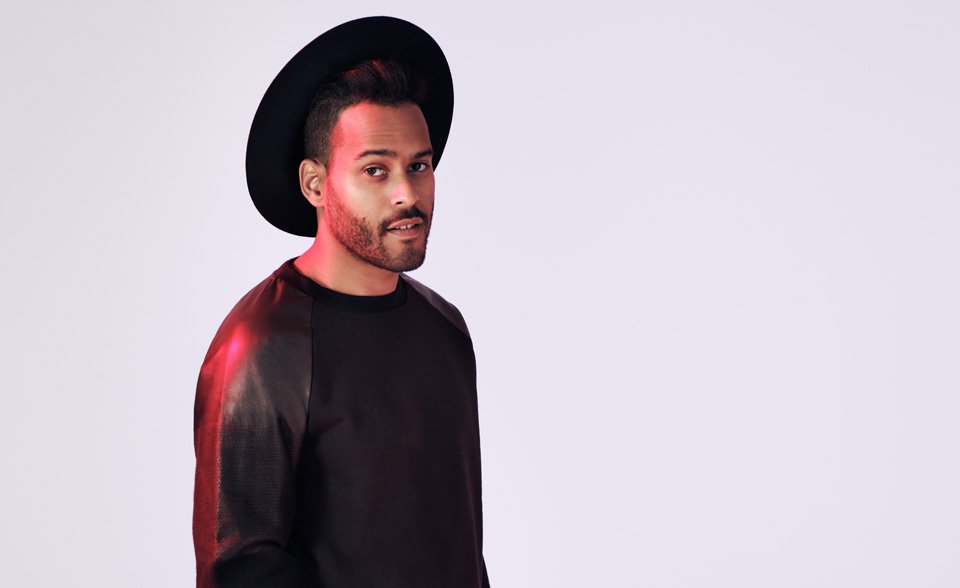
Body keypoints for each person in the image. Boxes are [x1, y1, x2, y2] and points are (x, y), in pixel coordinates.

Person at [192, 17, 490, 587]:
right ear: (315, 185)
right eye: (375, 170)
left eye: (419, 166)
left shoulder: (444, 327)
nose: (406, 193)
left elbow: (460, 548)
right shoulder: (263, 347)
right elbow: (240, 568)